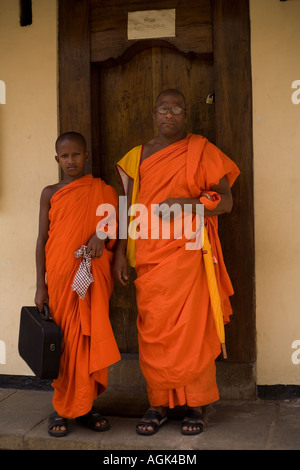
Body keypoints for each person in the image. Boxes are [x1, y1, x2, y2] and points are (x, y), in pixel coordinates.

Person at [114, 89, 240, 435]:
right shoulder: (136, 157)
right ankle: (157, 404)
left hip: (190, 259)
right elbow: (128, 209)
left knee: (192, 332)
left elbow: (225, 202)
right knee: (155, 331)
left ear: (186, 115)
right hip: (151, 259)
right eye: (163, 109)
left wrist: (186, 204)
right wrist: (121, 253)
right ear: (153, 113)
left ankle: (195, 406)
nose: (169, 115)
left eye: (177, 110)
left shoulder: (203, 151)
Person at [34, 131, 120, 437]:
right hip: (59, 275)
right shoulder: (50, 192)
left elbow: (117, 222)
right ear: (57, 159)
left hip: (91, 276)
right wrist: (40, 285)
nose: (71, 161)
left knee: (88, 336)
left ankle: (88, 406)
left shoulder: (101, 190)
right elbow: (42, 239)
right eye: (65, 156)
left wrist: (100, 235)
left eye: (76, 155)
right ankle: (61, 408)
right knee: (65, 342)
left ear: (86, 156)